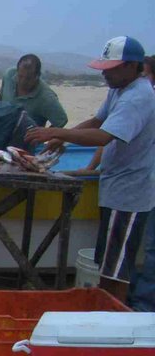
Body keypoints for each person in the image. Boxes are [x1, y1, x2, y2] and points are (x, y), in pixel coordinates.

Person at [25, 37, 155, 304]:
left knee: (117, 269)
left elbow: (103, 136)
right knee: (108, 261)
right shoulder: (119, 89)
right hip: (114, 185)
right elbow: (98, 120)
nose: (106, 73)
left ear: (133, 67)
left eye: (112, 68)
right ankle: (105, 310)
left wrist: (55, 131)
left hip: (130, 192)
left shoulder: (138, 97)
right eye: (104, 68)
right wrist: (65, 136)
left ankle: (112, 318)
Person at [126, 55, 155, 311]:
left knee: (151, 249)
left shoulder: (144, 98)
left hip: (145, 186)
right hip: (143, 187)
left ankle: (143, 307)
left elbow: (110, 134)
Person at [0, 54, 68, 128]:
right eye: (20, 76)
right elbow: (0, 96)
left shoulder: (46, 98)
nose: (22, 82)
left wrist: (47, 135)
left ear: (38, 75)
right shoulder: (9, 75)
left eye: (28, 78)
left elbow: (61, 121)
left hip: (25, 137)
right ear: (17, 71)